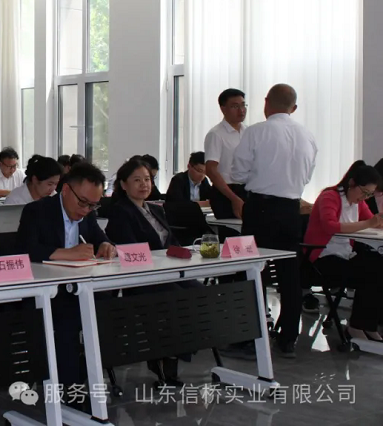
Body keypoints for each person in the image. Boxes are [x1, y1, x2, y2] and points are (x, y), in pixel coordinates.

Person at [232, 84, 318, 358]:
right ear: (294, 107)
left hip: (260, 207)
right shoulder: (307, 136)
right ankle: (288, 338)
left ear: (266, 102)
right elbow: (307, 176)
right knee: (289, 273)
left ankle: (248, 337)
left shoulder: (257, 131)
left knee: (250, 268)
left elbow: (238, 173)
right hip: (291, 209)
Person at [104, 157, 204, 384]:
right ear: (123, 184)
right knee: (177, 298)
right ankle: (166, 356)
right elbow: (130, 248)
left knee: (198, 292)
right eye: (137, 180)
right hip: (142, 279)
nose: (144, 184)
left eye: (147, 179)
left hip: (166, 272)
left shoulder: (156, 210)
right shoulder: (121, 212)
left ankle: (174, 352)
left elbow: (171, 242)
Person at [18, 163, 114, 391]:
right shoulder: (37, 211)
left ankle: (85, 373)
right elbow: (25, 249)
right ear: (66, 190)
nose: (86, 209)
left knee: (112, 310)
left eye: (93, 205)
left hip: (78, 288)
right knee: (69, 320)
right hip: (47, 292)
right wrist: (65, 253)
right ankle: (69, 389)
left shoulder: (87, 215)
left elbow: (100, 237)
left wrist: (106, 245)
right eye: (83, 202)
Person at [304, 161, 383, 340]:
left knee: (378, 266)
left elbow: (372, 221)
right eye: (364, 192)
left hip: (345, 255)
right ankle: (356, 327)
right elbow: (330, 226)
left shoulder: (358, 202)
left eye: (369, 194)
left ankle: (368, 326)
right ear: (352, 183)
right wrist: (368, 223)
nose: (364, 198)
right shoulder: (330, 197)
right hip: (323, 257)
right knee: (369, 274)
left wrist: (377, 221)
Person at [204, 88, 248, 219]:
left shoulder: (248, 132)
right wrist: (233, 198)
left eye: (243, 105)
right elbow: (211, 170)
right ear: (223, 109)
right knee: (230, 230)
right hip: (226, 192)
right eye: (235, 106)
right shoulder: (216, 134)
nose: (241, 110)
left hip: (247, 190)